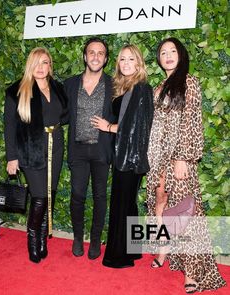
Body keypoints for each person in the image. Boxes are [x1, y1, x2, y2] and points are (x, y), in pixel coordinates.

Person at [146, 37, 226, 293]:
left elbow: (192, 124)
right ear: (159, 59)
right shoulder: (159, 86)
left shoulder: (189, 83)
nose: (167, 55)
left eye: (172, 51)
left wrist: (183, 157)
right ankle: (163, 250)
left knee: (185, 214)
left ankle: (192, 272)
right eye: (163, 52)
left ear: (181, 55)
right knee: (159, 205)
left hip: (178, 157)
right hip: (157, 157)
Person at [91, 44, 153, 268]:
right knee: (127, 205)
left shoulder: (141, 87)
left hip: (130, 156)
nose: (126, 63)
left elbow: (137, 127)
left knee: (122, 204)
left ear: (139, 63)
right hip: (125, 153)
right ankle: (131, 253)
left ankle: (119, 256)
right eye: (122, 59)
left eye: (131, 59)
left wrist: (108, 127)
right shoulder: (125, 87)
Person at [4, 47, 68, 263]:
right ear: (30, 65)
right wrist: (12, 157)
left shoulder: (58, 88)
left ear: (50, 65)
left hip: (56, 146)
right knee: (39, 197)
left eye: (45, 62)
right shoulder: (16, 91)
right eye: (37, 63)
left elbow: (65, 115)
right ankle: (32, 239)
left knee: (49, 194)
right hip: (30, 150)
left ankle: (42, 239)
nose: (41, 68)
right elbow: (9, 127)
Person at [64, 37, 113, 260]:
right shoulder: (70, 84)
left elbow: (127, 116)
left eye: (100, 53)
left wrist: (112, 128)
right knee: (77, 195)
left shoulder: (113, 85)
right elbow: (59, 112)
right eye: (91, 52)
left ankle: (94, 240)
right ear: (85, 56)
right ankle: (77, 238)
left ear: (105, 59)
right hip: (78, 150)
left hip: (102, 150)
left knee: (100, 197)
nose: (95, 56)